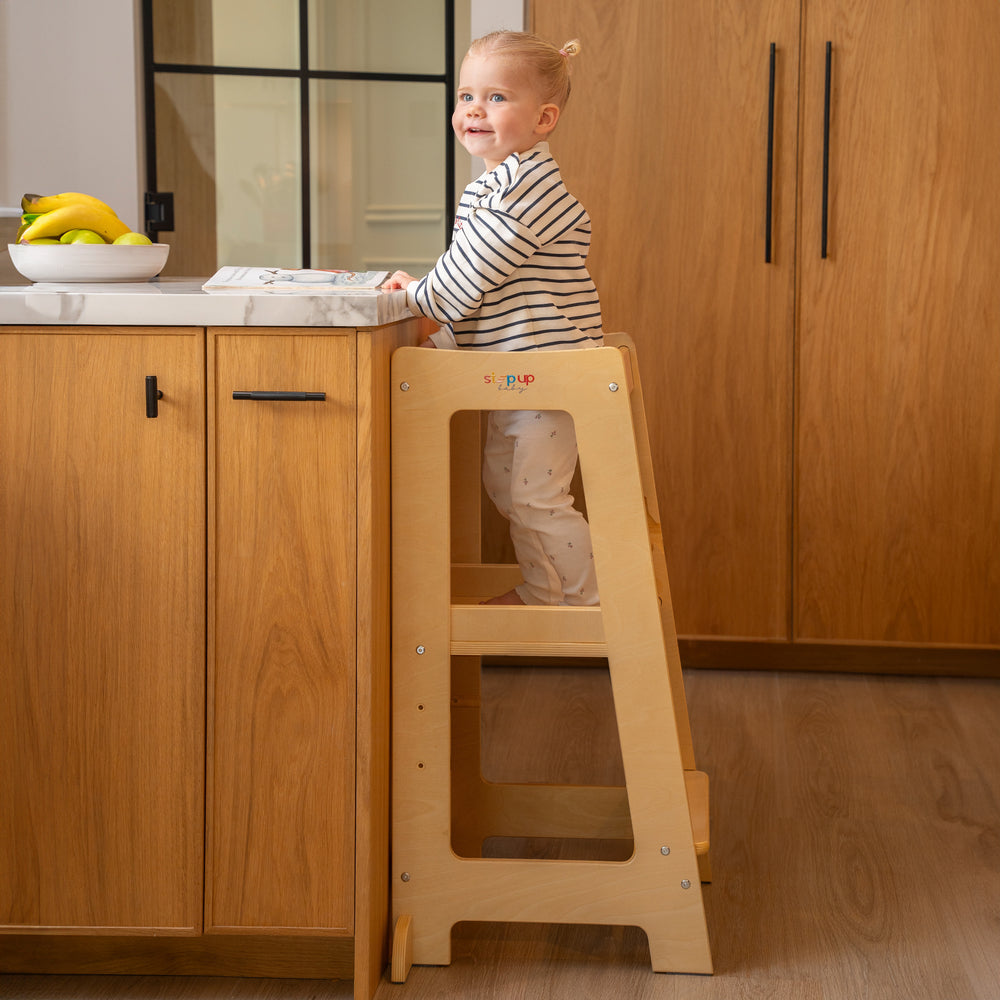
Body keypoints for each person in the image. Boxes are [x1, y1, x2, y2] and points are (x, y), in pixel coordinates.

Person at [382, 30, 603, 607]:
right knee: (509, 489)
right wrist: (432, 298)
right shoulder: (496, 185)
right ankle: (545, 588)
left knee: (537, 497)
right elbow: (481, 283)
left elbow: (465, 281)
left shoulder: (523, 190)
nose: (474, 110)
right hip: (516, 375)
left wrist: (415, 298)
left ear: (544, 118)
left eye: (497, 98)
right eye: (464, 96)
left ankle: (581, 596)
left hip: (547, 377)